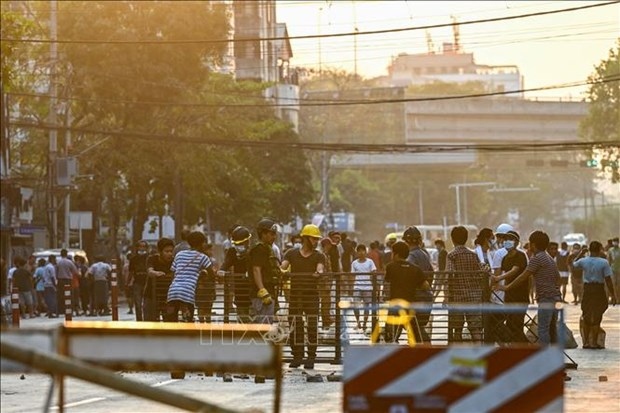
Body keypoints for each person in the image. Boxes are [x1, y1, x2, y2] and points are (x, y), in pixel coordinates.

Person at [495, 230, 562, 345]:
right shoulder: (549, 258)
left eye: (530, 243)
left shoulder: (536, 259)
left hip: (546, 298)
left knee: (543, 329)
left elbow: (523, 277)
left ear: (534, 245)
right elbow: (558, 278)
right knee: (552, 329)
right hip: (555, 297)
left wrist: (506, 288)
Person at [280, 224, 325, 369]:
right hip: (295, 296)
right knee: (295, 326)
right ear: (305, 238)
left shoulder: (319, 255)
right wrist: (282, 272)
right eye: (313, 239)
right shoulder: (291, 253)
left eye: (317, 239)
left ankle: (311, 356)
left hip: (311, 296)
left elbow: (320, 268)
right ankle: (297, 356)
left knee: (312, 326)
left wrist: (319, 273)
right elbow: (283, 267)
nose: (316, 242)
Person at [573, 241, 617, 349]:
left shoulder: (583, 261)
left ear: (589, 249)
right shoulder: (604, 262)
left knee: (586, 313)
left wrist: (580, 253)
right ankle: (594, 343)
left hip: (587, 289)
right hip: (598, 289)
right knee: (598, 315)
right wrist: (613, 295)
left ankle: (586, 342)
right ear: (600, 249)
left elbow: (574, 264)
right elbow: (608, 280)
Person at [164, 231, 214, 322]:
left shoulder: (179, 254)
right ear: (202, 243)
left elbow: (173, 273)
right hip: (187, 293)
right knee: (188, 322)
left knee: (171, 322)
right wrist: (204, 275)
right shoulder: (203, 257)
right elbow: (212, 275)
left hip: (173, 291)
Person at [446, 226, 484, 343]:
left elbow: (450, 276)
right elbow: (479, 274)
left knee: (457, 329)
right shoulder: (473, 255)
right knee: (475, 328)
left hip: (457, 297)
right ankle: (480, 352)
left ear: (452, 239)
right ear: (466, 239)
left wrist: (447, 296)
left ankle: (457, 355)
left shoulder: (451, 255)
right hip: (473, 297)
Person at [383, 241, 426, 344]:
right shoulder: (415, 269)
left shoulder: (390, 267)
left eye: (392, 253)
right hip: (410, 306)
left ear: (396, 254)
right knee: (414, 337)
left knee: (391, 338)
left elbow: (387, 283)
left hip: (395, 306)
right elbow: (425, 286)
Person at [492, 231, 529, 343]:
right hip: (509, 298)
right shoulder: (505, 258)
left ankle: (525, 352)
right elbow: (501, 272)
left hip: (520, 297)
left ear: (517, 242)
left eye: (510, 239)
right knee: (510, 327)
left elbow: (514, 270)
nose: (507, 241)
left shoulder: (520, 255)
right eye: (505, 239)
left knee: (517, 327)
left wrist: (498, 279)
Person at [402, 226, 433, 341]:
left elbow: (409, 276)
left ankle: (427, 350)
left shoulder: (410, 257)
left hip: (416, 297)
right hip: (427, 296)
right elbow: (432, 273)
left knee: (415, 328)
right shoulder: (424, 254)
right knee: (417, 328)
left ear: (406, 241)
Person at [248, 218, 281, 324]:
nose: (274, 237)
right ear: (263, 234)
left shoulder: (268, 249)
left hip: (269, 291)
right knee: (263, 326)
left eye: (274, 234)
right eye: (271, 234)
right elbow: (256, 269)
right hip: (262, 295)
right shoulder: (259, 249)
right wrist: (262, 290)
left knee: (267, 324)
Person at [219, 226, 252, 323]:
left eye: (242, 243)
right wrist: (221, 271)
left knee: (254, 320)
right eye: (237, 244)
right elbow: (227, 263)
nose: (240, 246)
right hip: (240, 291)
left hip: (253, 292)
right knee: (242, 320)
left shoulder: (254, 251)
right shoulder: (232, 251)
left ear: (248, 241)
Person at [145, 238, 174, 321]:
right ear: (160, 251)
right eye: (167, 251)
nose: (169, 254)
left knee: (170, 323)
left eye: (171, 251)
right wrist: (156, 273)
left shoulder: (174, 261)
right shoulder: (152, 259)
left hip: (168, 296)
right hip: (151, 294)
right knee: (149, 322)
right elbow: (149, 271)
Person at [351, 244, 377, 334]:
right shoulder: (354, 263)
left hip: (367, 287)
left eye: (363, 250)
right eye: (359, 251)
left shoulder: (370, 262)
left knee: (366, 306)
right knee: (355, 306)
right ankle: (358, 322)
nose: (361, 252)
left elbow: (374, 272)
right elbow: (352, 276)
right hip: (357, 286)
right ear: (357, 252)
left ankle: (365, 323)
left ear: (366, 252)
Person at [128, 240, 150, 321]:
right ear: (137, 248)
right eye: (140, 246)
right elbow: (131, 272)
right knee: (138, 303)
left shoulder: (149, 258)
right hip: (137, 283)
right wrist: (128, 282)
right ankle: (139, 320)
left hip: (148, 283)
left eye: (144, 246)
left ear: (147, 248)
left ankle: (147, 319)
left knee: (147, 304)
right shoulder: (133, 259)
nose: (142, 248)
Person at [319, 237, 336, 330]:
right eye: (329, 245)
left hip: (327, 282)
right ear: (326, 245)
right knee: (326, 302)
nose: (330, 247)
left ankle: (326, 321)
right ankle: (325, 322)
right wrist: (326, 284)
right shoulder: (323, 255)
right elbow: (324, 271)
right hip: (324, 284)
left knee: (327, 303)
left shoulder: (325, 255)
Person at [56, 249, 79, 315]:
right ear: (66, 254)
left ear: (61, 254)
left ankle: (60, 311)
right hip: (68, 280)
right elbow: (75, 271)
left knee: (60, 296)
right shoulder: (70, 262)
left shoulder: (58, 262)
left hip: (60, 280)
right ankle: (69, 310)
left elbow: (56, 271)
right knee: (69, 295)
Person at [607, 237, 620, 304]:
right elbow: (608, 260)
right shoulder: (610, 250)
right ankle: (614, 298)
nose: (615, 243)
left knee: (619, 285)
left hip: (619, 270)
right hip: (612, 270)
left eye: (616, 241)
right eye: (614, 241)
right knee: (613, 285)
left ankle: (618, 299)